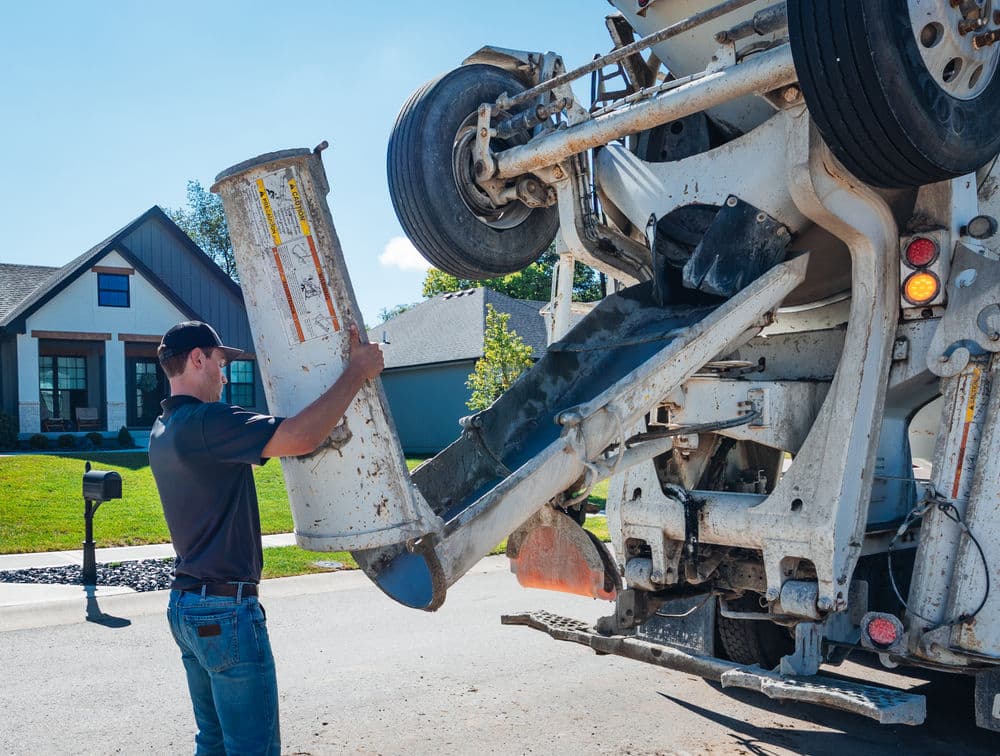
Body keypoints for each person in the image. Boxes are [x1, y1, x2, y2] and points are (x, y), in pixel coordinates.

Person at [148, 319, 383, 755]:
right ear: (198, 359)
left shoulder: (162, 430)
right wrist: (357, 372)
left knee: (213, 742)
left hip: (186, 605)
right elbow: (301, 436)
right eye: (221, 363)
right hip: (225, 609)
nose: (225, 375)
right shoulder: (207, 422)